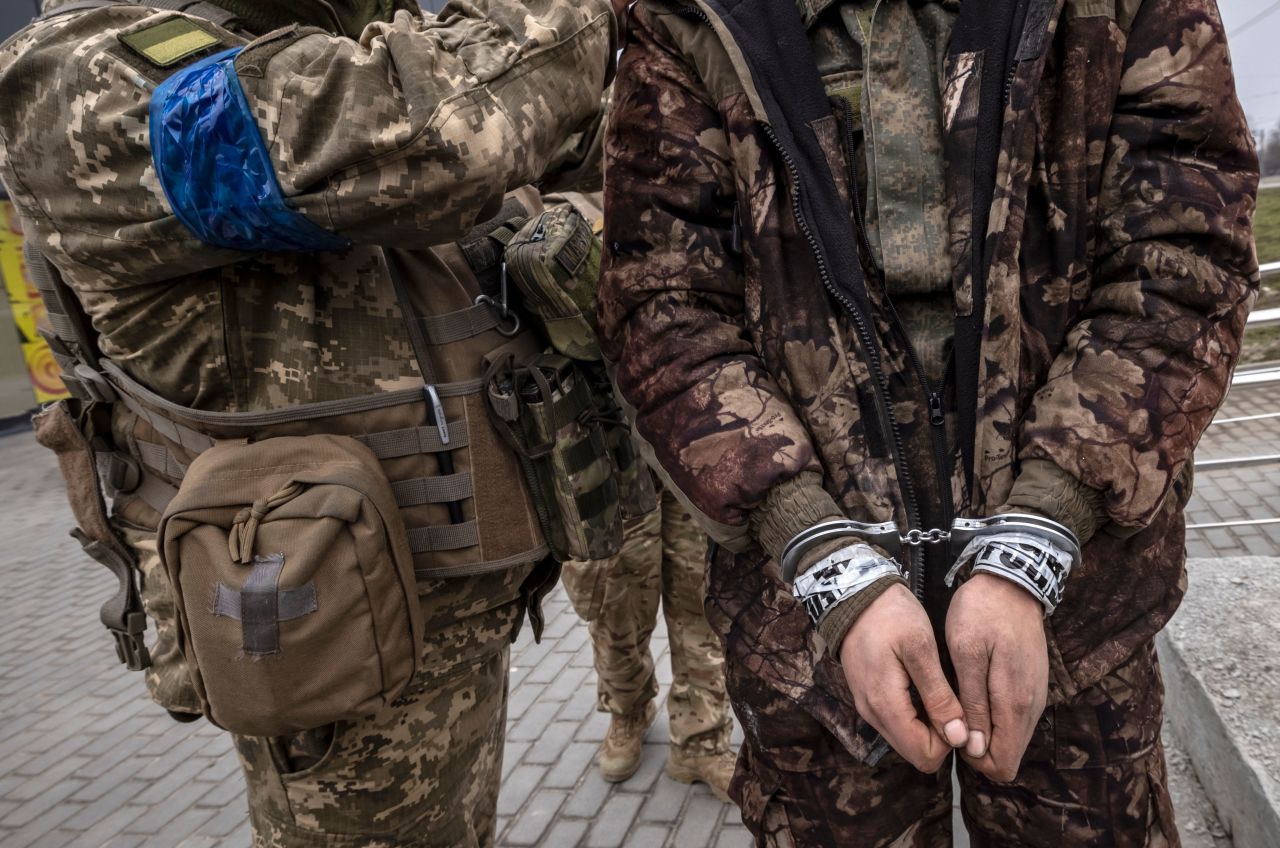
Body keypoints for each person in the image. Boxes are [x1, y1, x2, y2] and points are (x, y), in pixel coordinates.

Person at [598, 0, 1258, 843]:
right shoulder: (686, 18)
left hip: (1079, 621)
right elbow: (662, 307)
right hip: (804, 633)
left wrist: (1041, 535)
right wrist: (819, 551)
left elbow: (1182, 264)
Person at [0, 0, 618, 845]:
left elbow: (562, 143)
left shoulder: (311, 37)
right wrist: (585, 14)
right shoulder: (77, 77)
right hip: (325, 639)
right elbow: (436, 136)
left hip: (446, 604)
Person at [562, 479, 736, 799]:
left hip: (690, 454)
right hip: (608, 461)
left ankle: (701, 741)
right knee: (617, 612)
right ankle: (630, 711)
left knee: (702, 601)